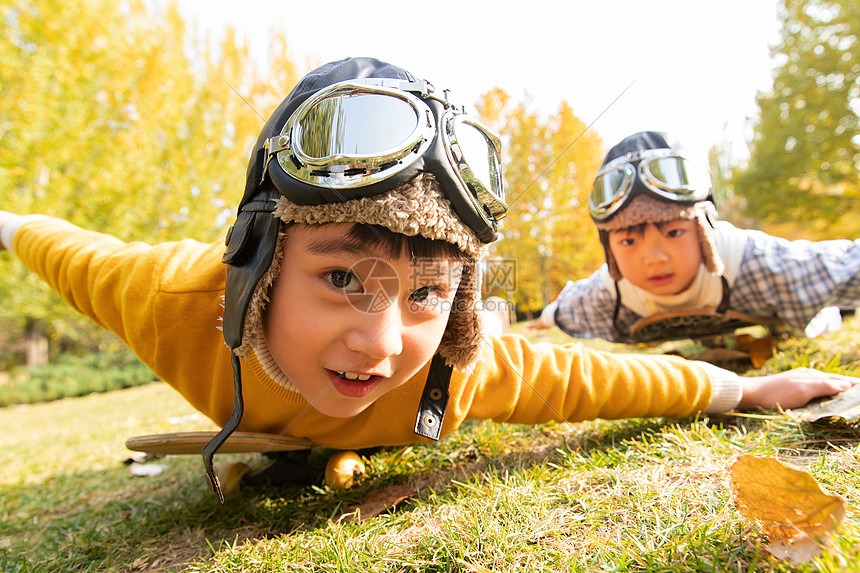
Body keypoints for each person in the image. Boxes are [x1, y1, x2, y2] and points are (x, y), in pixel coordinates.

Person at [0, 61, 855, 502]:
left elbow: (595, 376)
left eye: (426, 293)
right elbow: (58, 243)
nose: (380, 344)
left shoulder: (452, 365)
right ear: (254, 263)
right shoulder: (166, 300)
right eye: (341, 276)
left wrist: (738, 392)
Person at [528, 131, 860, 342]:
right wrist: (541, 321)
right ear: (609, 251)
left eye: (673, 232)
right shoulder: (604, 299)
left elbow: (847, 265)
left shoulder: (759, 264)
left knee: (825, 317)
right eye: (629, 241)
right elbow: (563, 308)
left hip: (794, 315)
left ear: (703, 231)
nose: (654, 257)